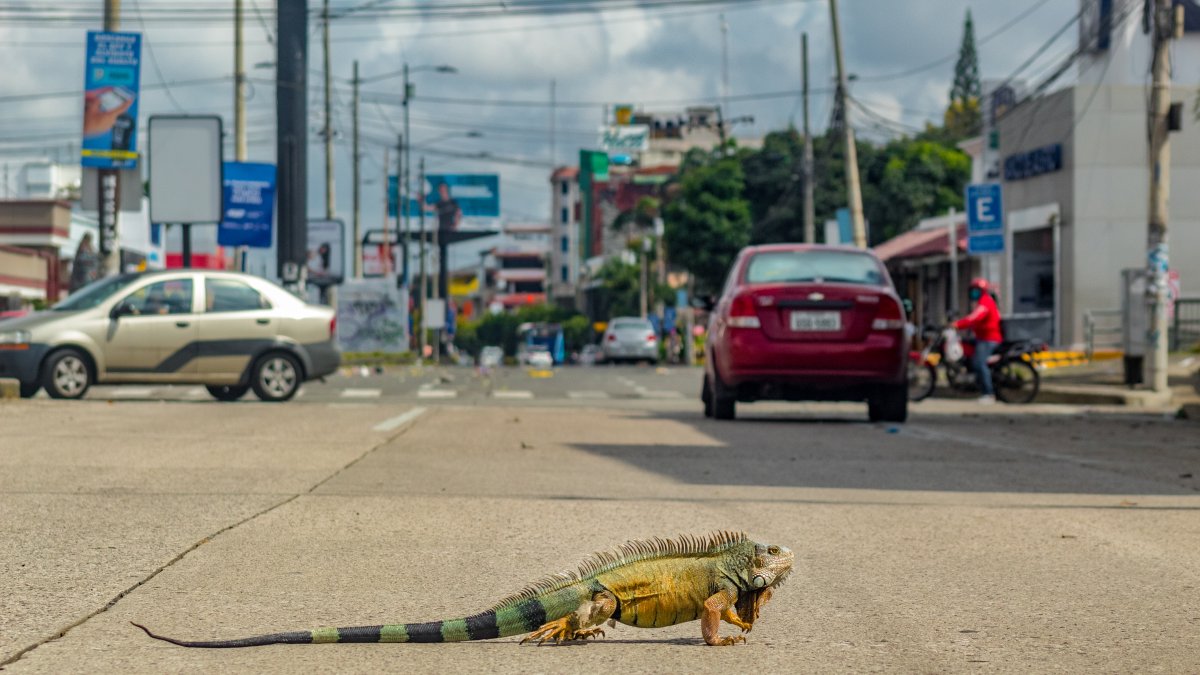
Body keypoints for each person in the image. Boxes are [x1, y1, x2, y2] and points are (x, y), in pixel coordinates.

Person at [954, 277, 1003, 404]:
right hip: (981, 337)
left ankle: (989, 393)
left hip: (989, 339)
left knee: (979, 363)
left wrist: (958, 324)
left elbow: (974, 318)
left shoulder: (985, 302)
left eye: (977, 290)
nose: (974, 292)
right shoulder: (980, 303)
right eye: (973, 290)